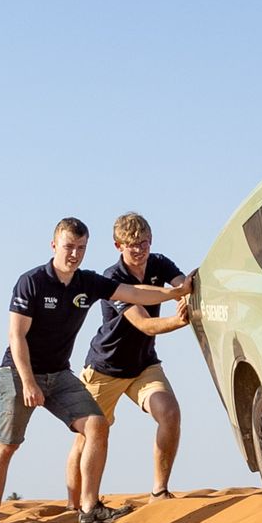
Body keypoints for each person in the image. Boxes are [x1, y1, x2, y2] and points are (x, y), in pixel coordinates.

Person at [0, 217, 189, 523]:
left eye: (81, 248)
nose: (74, 254)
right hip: (22, 372)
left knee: (96, 425)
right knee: (6, 446)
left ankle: (89, 510)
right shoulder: (31, 282)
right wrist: (29, 382)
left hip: (62, 373)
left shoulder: (88, 282)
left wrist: (176, 292)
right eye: (68, 247)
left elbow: (136, 293)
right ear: (54, 246)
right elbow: (16, 336)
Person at [68, 213, 191, 505]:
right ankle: (75, 505)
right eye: (132, 244)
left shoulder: (159, 262)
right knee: (87, 438)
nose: (140, 249)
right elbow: (146, 324)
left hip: (143, 366)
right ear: (118, 246)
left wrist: (188, 291)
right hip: (104, 368)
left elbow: (181, 285)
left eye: (144, 242)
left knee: (170, 413)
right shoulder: (111, 278)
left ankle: (159, 492)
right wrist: (180, 319)